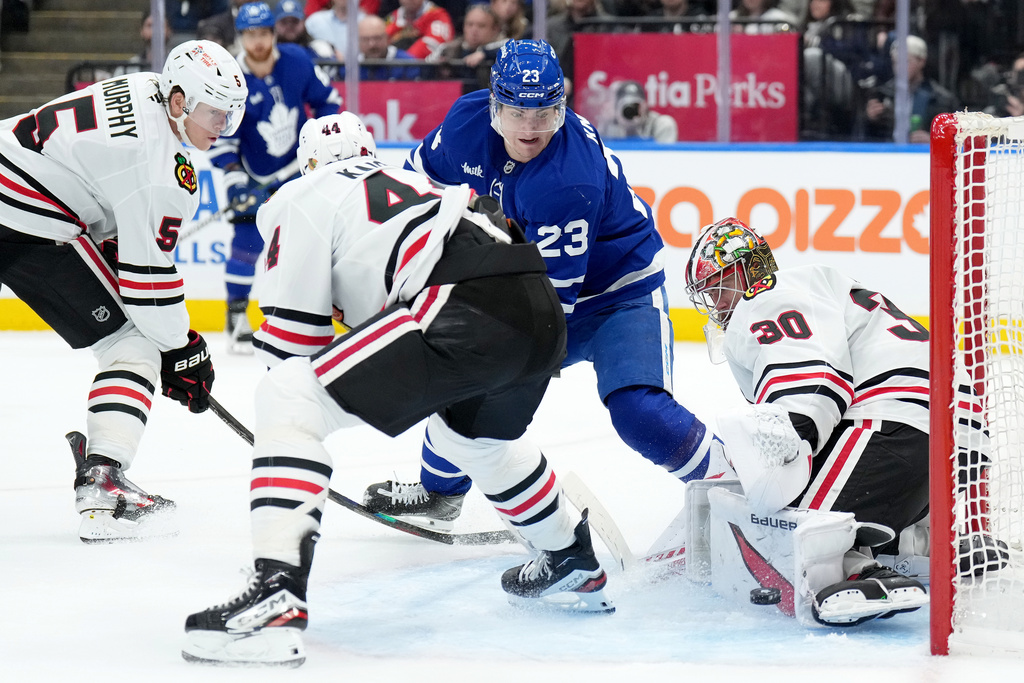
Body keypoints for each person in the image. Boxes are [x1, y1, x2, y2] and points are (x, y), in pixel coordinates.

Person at [181, 112, 614, 667]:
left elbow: (293, 346)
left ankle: (274, 600)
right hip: (538, 307)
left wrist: (283, 446)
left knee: (288, 396)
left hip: (464, 304)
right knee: (471, 441)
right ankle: (570, 557)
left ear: (309, 163)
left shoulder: (302, 194)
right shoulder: (411, 182)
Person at [362, 40, 732, 532]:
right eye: (516, 110)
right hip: (533, 278)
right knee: (464, 370)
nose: (531, 128)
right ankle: (439, 494)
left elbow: (544, 306)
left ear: (563, 107)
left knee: (639, 412)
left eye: (544, 112)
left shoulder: (566, 183)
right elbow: (414, 191)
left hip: (619, 294)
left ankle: (739, 491)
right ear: (493, 103)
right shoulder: (464, 125)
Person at [0, 40, 245, 542]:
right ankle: (104, 479)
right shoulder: (162, 171)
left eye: (229, 114)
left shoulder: (139, 88)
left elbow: (98, 184)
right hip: (23, 219)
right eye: (212, 111)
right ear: (177, 101)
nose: (220, 125)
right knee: (133, 344)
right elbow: (148, 288)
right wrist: (182, 350)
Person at [683, 216, 934, 625]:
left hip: (896, 417)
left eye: (718, 287)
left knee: (790, 528)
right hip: (954, 433)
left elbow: (814, 384)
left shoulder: (764, 297)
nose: (717, 303)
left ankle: (856, 568)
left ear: (745, 271)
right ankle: (923, 543)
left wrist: (783, 454)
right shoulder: (813, 287)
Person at [209, 2, 342, 354]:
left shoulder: (297, 61)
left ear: (273, 34)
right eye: (250, 34)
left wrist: (318, 140)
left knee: (308, 243)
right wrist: (234, 176)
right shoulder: (229, 77)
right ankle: (236, 314)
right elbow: (221, 135)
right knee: (247, 242)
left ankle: (304, 316)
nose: (257, 41)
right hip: (253, 173)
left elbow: (328, 100)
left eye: (263, 33)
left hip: (300, 172)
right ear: (241, 36)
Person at [863, 35, 960, 143]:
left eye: (906, 62)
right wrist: (869, 120)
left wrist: (934, 141)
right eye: (896, 62)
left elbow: (957, 139)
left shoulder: (942, 100)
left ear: (922, 61)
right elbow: (864, 139)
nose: (900, 68)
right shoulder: (882, 94)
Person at [428, 3, 503, 90]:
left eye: (481, 26)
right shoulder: (447, 49)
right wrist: (437, 69)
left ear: (495, 29)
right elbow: (425, 70)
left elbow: (516, 51)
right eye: (470, 24)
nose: (474, 30)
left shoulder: (506, 48)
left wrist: (485, 54)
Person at [346, 14, 421, 80]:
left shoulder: (407, 64)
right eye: (366, 39)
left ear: (386, 38)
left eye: (377, 38)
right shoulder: (350, 67)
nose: (372, 44)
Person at [600, 79, 678, 142]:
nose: (630, 110)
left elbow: (664, 158)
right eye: (625, 106)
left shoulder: (660, 125)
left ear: (645, 105)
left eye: (636, 105)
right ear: (617, 108)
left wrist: (633, 129)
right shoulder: (610, 125)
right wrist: (605, 124)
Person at [384, 0, 456, 59]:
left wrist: (404, 60)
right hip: (393, 69)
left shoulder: (438, 15)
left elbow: (435, 43)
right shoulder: (391, 18)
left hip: (426, 70)